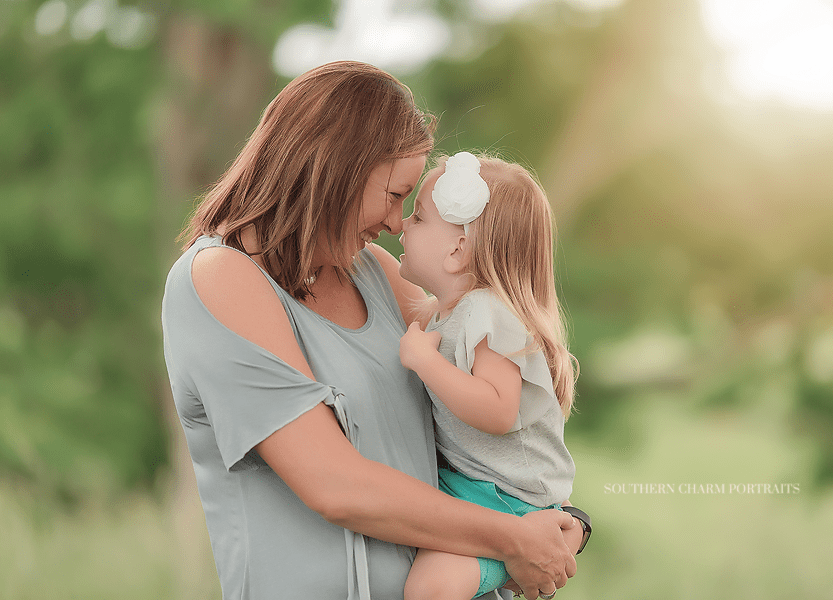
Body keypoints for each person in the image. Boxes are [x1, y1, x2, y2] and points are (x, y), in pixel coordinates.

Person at [161, 61, 583, 600]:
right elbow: (334, 484)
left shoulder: (377, 274)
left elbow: (496, 414)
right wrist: (516, 539)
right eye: (394, 195)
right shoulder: (222, 279)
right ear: (335, 171)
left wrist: (562, 521)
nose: (396, 222)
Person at [397, 152, 581, 600]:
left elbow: (498, 409)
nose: (401, 225)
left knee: (431, 589)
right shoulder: (446, 312)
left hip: (508, 499)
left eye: (417, 218)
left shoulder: (487, 311)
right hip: (474, 487)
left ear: (458, 251)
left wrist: (426, 362)